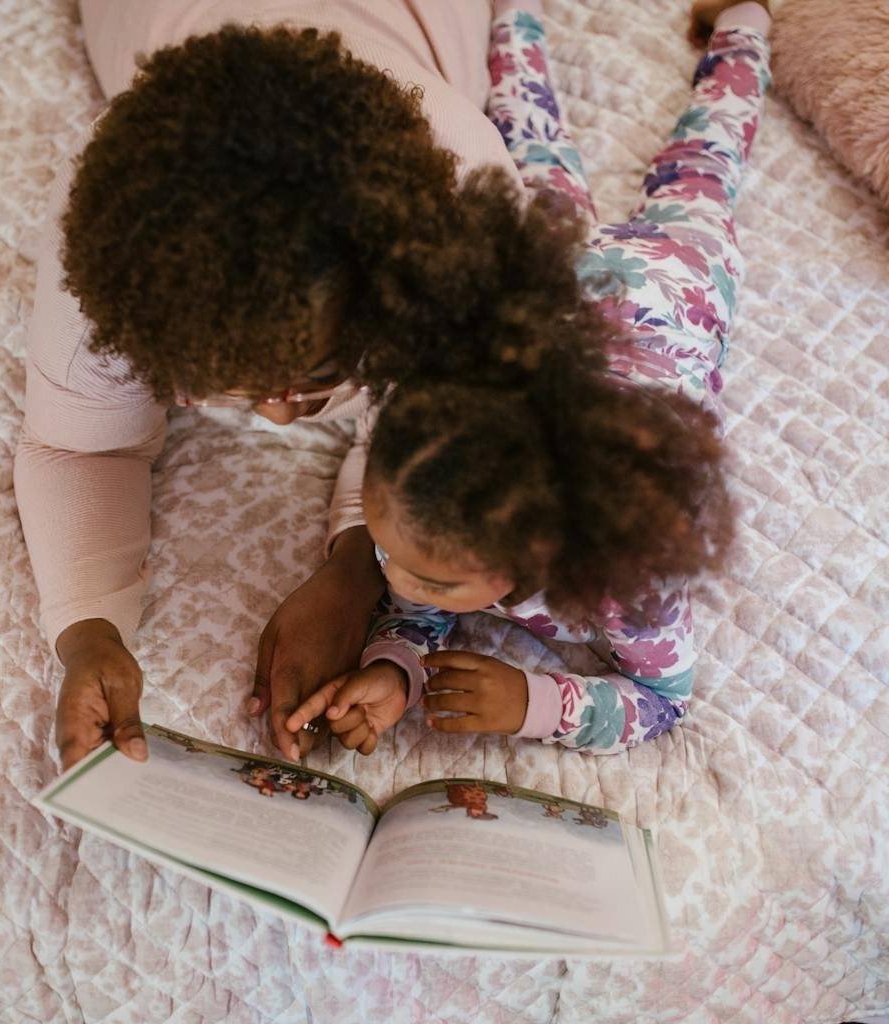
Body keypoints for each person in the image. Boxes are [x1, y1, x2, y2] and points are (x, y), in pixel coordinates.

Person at [17, 1, 579, 771]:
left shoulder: (460, 214)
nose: (279, 417)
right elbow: (74, 444)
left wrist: (357, 563)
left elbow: (435, 423)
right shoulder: (107, 244)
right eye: (230, 390)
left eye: (313, 380)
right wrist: (88, 633)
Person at [286, 0, 771, 755]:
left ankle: (745, 23)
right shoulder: (430, 505)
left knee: (707, 159)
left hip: (679, 275)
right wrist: (392, 667)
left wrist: (537, 701)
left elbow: (664, 698)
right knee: (517, 124)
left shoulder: (629, 586)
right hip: (552, 280)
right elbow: (413, 593)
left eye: (433, 583)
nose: (398, 582)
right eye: (389, 553)